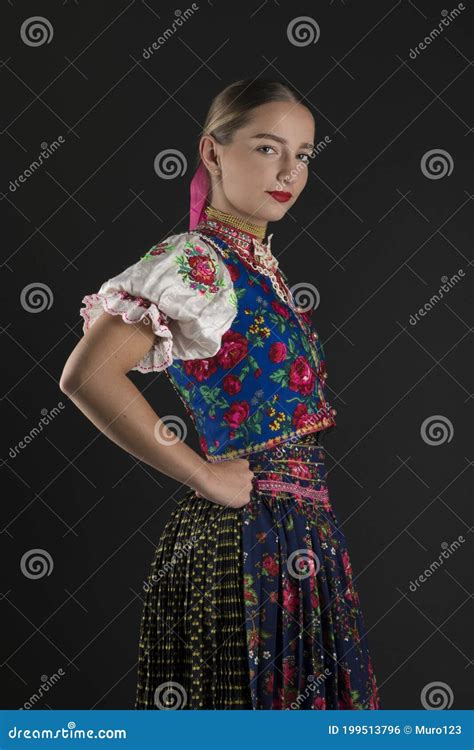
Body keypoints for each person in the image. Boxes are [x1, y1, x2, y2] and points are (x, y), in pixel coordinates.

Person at [60, 78, 381, 710]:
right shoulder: (195, 261)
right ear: (211, 153)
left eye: (305, 153)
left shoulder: (261, 268)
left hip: (302, 534)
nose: (290, 170)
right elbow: (88, 377)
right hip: (244, 539)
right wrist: (204, 475)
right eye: (267, 148)